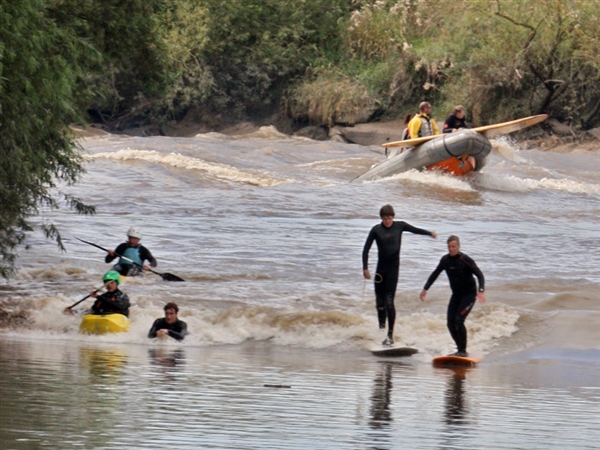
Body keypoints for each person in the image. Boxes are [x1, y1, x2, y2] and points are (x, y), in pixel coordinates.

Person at [363, 204, 437, 346]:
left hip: (392, 271)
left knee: (389, 302)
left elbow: (415, 230)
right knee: (380, 303)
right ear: (381, 218)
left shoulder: (400, 226)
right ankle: (381, 331)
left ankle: (390, 336)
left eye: (389, 218)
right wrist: (365, 268)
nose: (387, 221)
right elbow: (366, 249)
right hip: (380, 271)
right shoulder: (376, 230)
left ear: (393, 217)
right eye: (385, 218)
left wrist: (429, 233)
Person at [419, 235, 486, 357]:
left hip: (469, 295)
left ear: (458, 247)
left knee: (459, 320)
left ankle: (463, 351)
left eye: (453, 246)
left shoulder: (465, 259)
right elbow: (435, 273)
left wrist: (481, 291)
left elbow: (480, 275)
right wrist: (425, 289)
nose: (451, 249)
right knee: (450, 323)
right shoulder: (445, 260)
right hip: (456, 295)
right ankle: (460, 349)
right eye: (449, 247)